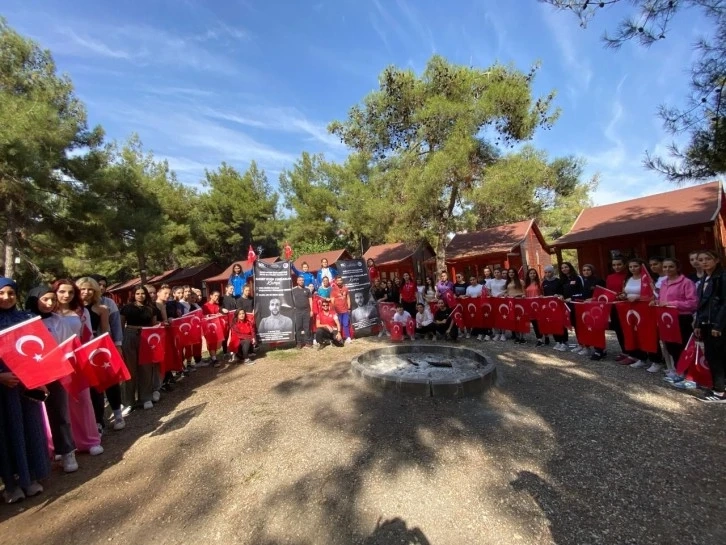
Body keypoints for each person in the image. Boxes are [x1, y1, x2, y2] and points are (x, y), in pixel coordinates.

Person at [0, 277, 51, 504]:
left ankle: (30, 477)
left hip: (26, 387)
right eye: (1, 293)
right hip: (2, 391)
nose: (6, 297)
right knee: (6, 435)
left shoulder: (26, 318)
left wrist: (41, 378)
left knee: (29, 429)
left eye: (11, 293)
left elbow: (41, 350)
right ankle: (11, 485)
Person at [24, 286, 80, 473]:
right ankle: (41, 456)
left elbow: (67, 345)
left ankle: (67, 451)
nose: (49, 303)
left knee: (60, 412)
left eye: (52, 300)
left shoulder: (58, 320)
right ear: (34, 300)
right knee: (35, 417)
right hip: (31, 375)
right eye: (45, 299)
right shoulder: (24, 321)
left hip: (56, 373)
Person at [52, 279, 104, 457]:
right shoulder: (48, 313)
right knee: (60, 404)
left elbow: (88, 336)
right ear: (55, 292)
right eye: (62, 292)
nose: (66, 295)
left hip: (77, 360)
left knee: (83, 400)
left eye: (70, 292)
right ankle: (64, 445)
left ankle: (90, 440)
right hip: (55, 363)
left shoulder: (81, 311)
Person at [77, 277, 126, 431]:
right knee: (92, 387)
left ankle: (117, 414)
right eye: (83, 289)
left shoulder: (103, 307)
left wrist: (115, 346)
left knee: (110, 381)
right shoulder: (70, 309)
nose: (86, 292)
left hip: (98, 347)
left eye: (90, 289)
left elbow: (107, 330)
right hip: (79, 350)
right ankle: (98, 421)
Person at [657, 258, 698, 383]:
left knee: (683, 347)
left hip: (682, 318)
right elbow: (661, 299)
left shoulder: (686, 282)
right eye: (665, 267)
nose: (667, 269)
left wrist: (671, 304)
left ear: (677, 268)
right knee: (671, 347)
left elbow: (693, 303)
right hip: (667, 319)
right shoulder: (664, 283)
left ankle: (689, 374)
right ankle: (678, 370)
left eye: (671, 267)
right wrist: (657, 302)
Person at [693, 250, 726, 402]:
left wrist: (718, 325)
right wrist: (698, 323)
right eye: (701, 260)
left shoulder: (722, 276)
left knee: (717, 357)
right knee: (711, 356)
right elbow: (701, 304)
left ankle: (720, 392)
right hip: (706, 322)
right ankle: (719, 386)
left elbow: (724, 303)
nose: (704, 262)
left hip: (717, 323)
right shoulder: (705, 278)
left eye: (708, 259)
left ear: (716, 260)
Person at [120, 285, 158, 410]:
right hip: (129, 336)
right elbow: (120, 325)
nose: (140, 296)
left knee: (146, 368)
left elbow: (154, 325)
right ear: (133, 295)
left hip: (146, 337)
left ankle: (146, 398)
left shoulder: (151, 308)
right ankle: (128, 402)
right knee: (130, 369)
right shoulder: (126, 308)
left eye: (142, 293)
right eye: (137, 293)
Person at [616, 258, 657, 370]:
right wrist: (623, 296)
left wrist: (639, 297)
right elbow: (625, 292)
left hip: (646, 310)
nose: (633, 269)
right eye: (630, 267)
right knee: (635, 333)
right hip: (631, 310)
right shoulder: (628, 279)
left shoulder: (647, 279)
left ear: (641, 266)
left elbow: (654, 295)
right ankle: (641, 357)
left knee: (648, 334)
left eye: (635, 266)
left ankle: (655, 360)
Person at [606, 256, 629, 362]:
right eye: (614, 265)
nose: (616, 267)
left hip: (626, 306)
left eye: (619, 264)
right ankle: (624, 350)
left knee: (627, 330)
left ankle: (632, 352)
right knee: (618, 329)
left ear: (624, 265)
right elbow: (608, 291)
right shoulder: (610, 277)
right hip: (614, 306)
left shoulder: (628, 276)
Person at [580, 264, 606, 359]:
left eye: (588, 270)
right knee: (590, 329)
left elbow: (603, 294)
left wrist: (593, 299)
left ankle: (600, 350)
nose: (586, 272)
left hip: (596, 308)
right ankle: (596, 348)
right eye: (584, 270)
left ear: (592, 271)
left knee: (597, 329)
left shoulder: (599, 281)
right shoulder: (583, 281)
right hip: (586, 308)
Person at [560, 262, 584, 352]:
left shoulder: (578, 278)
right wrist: (561, 296)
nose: (564, 269)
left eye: (566, 267)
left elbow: (582, 292)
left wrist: (572, 298)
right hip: (568, 306)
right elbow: (564, 292)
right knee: (574, 324)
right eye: (562, 268)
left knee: (579, 325)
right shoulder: (564, 280)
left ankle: (584, 345)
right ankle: (580, 344)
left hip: (577, 305)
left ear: (570, 267)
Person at [202, 290, 223, 367]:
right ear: (211, 296)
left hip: (216, 327)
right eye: (215, 295)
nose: (217, 297)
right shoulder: (205, 306)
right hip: (208, 327)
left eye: (218, 296)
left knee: (215, 342)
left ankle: (213, 357)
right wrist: (209, 316)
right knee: (211, 343)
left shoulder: (217, 306)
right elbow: (203, 317)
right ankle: (214, 359)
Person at [524, 268, 545, 347]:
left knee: (540, 322)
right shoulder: (526, 284)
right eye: (531, 273)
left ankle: (546, 337)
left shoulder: (540, 283)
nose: (532, 275)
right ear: (528, 275)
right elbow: (525, 293)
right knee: (534, 322)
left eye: (534, 273)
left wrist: (542, 296)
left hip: (538, 305)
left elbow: (543, 293)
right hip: (530, 306)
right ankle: (539, 339)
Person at [291, 276, 313, 349]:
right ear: (297, 281)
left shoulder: (307, 290)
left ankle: (308, 342)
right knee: (298, 328)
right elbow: (290, 300)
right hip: (298, 311)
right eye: (300, 280)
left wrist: (311, 310)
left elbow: (310, 300)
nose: (301, 281)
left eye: (302, 280)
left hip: (306, 311)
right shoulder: (293, 290)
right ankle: (299, 343)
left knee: (307, 327)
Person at [331, 276, 352, 343]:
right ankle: (340, 337)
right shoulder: (333, 289)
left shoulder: (345, 288)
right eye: (338, 280)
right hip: (338, 311)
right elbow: (332, 301)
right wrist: (334, 310)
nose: (339, 282)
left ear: (342, 281)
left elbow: (348, 298)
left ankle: (347, 337)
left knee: (346, 323)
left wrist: (349, 307)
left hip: (345, 310)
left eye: (340, 280)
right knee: (339, 324)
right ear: (336, 281)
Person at [464, 275, 485, 341]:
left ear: (476, 279)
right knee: (471, 318)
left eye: (473, 279)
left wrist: (480, 295)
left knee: (479, 319)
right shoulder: (468, 288)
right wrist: (463, 296)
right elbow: (467, 296)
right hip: (471, 306)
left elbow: (484, 295)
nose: (472, 281)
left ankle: (480, 333)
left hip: (479, 305)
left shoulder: (481, 286)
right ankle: (469, 332)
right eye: (471, 280)